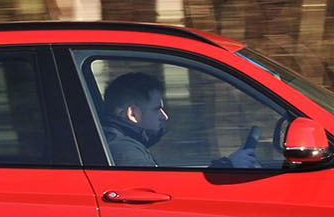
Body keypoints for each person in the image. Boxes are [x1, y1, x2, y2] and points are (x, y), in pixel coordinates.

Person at [100, 70, 260, 169]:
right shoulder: (126, 152)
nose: (164, 116)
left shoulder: (123, 144)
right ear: (133, 113)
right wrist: (229, 166)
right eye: (157, 109)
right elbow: (167, 192)